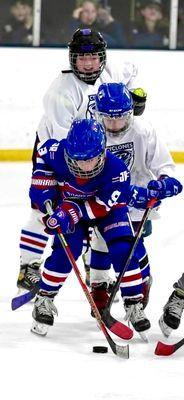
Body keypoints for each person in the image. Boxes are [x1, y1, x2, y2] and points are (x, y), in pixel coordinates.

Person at [16, 27, 147, 294]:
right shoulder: (60, 92)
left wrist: (134, 96)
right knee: (46, 207)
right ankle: (28, 266)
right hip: (57, 152)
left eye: (93, 58)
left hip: (94, 155)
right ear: (71, 59)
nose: (88, 64)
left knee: (97, 207)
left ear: (103, 57)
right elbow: (68, 148)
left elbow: (132, 71)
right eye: (81, 58)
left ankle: (91, 261)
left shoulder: (112, 70)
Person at [28, 118, 182, 335]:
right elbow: (42, 158)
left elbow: (100, 207)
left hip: (106, 210)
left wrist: (72, 212)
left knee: (123, 249)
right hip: (71, 206)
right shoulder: (55, 150)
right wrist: (43, 189)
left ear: (102, 151)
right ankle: (44, 298)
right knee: (66, 250)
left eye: (91, 159)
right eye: (78, 160)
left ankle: (134, 303)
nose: (85, 166)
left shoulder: (117, 170)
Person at [85, 82, 181, 321]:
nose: (115, 124)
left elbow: (163, 165)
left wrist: (163, 182)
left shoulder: (143, 130)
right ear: (99, 114)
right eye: (109, 119)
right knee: (100, 242)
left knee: (133, 246)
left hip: (138, 202)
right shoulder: (93, 132)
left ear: (130, 113)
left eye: (120, 118)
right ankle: (98, 289)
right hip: (104, 200)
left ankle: (142, 282)